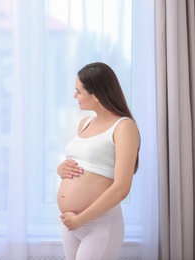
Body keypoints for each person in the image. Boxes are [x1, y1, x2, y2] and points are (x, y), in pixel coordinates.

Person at [57, 62, 140, 260]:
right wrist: (61, 169)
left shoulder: (124, 127)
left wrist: (80, 220)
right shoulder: (84, 123)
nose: (74, 96)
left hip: (99, 224)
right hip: (71, 223)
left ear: (95, 94)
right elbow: (85, 165)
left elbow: (122, 187)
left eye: (78, 91)